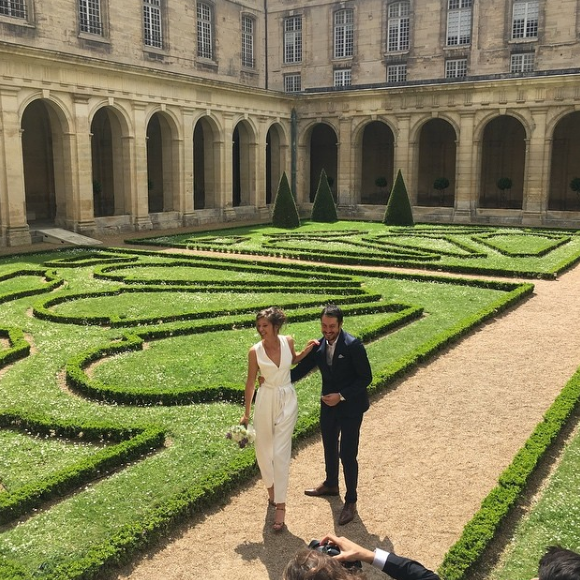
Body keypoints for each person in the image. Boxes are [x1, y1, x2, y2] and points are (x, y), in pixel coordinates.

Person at [291, 304, 372, 526]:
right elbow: (298, 371)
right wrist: (273, 380)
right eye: (324, 325)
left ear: (340, 324)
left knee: (347, 454)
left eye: (332, 326)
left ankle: (351, 501)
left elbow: (366, 378)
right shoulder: (318, 346)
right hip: (328, 405)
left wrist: (342, 396)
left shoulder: (353, 345)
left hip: (351, 407)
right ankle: (331, 484)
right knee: (328, 445)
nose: (327, 330)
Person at [241, 307, 316, 532]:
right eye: (259, 326)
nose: (261, 329)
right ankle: (272, 489)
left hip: (287, 398)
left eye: (265, 325)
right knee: (263, 450)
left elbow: (292, 361)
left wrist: (307, 350)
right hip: (265, 399)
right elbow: (250, 382)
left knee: (280, 452)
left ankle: (280, 506)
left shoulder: (288, 341)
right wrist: (246, 413)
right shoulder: (254, 351)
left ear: (276, 325)